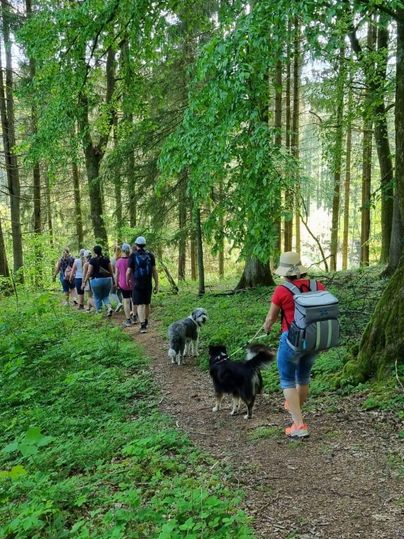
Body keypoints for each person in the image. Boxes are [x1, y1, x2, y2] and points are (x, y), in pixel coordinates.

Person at [263, 251, 326, 439]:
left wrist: (266, 327)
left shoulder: (282, 290)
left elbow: (271, 317)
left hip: (291, 340)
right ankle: (296, 414)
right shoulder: (317, 285)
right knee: (303, 377)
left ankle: (299, 425)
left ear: (284, 272)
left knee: (287, 379)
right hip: (314, 339)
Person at [126, 236, 159, 333]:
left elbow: (128, 271)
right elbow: (154, 271)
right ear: (145, 244)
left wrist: (128, 280)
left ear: (136, 245)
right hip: (148, 283)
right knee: (147, 303)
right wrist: (157, 284)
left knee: (140, 304)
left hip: (137, 283)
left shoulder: (133, 256)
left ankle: (143, 325)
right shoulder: (150, 255)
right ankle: (146, 321)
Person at [82, 245, 114, 316]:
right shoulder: (106, 259)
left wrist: (84, 281)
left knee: (97, 297)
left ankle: (99, 312)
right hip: (107, 280)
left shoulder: (92, 260)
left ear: (94, 252)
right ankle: (109, 308)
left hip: (96, 281)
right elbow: (111, 271)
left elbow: (89, 272)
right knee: (105, 296)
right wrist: (113, 280)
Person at [115, 243, 133, 327]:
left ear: (122, 251)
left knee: (126, 301)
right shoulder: (132, 260)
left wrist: (116, 283)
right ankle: (135, 317)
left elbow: (116, 275)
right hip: (132, 283)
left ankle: (128, 320)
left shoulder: (118, 261)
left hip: (123, 284)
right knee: (134, 300)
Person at [110, 244, 123, 312]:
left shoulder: (113, 259)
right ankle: (120, 306)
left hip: (115, 277)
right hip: (122, 277)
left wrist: (114, 278)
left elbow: (112, 271)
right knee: (119, 293)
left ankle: (119, 303)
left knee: (112, 292)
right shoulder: (122, 258)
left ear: (114, 251)